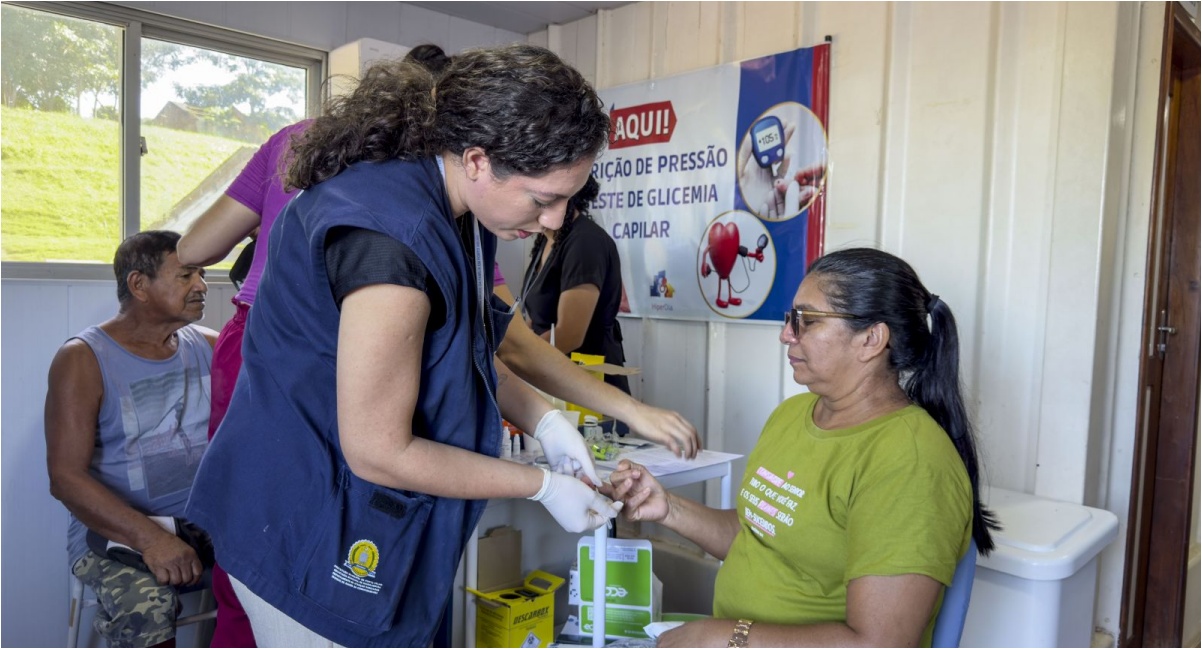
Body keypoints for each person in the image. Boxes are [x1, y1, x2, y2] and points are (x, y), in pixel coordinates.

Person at [184, 44, 647, 648]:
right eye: (544, 200)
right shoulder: (390, 237)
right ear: (478, 159)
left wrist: (548, 421)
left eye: (568, 201)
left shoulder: (456, 209)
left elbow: (462, 352)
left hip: (336, 500)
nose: (556, 221)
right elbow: (378, 451)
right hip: (300, 517)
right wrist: (538, 486)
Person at [176, 43, 466, 648]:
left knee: (252, 537)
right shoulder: (435, 173)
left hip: (262, 336)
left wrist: (275, 220)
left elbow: (193, 250)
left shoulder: (299, 139)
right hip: (358, 348)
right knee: (357, 538)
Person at [606, 248, 998, 648]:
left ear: (871, 339)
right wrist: (667, 508)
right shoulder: (794, 414)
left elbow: (879, 643)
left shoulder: (911, 461)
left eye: (806, 321)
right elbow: (759, 533)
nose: (786, 334)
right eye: (790, 319)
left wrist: (726, 637)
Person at [45, 231, 218, 648]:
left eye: (202, 273)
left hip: (204, 524)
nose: (202, 286)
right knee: (149, 608)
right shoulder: (83, 358)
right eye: (186, 275)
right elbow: (65, 478)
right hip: (117, 535)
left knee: (288, 574)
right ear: (139, 285)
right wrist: (151, 540)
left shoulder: (209, 345)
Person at [520, 175, 631, 396]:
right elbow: (539, 316)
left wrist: (520, 358)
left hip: (589, 386)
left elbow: (569, 335)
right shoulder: (547, 239)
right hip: (555, 377)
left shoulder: (585, 242)